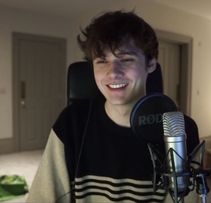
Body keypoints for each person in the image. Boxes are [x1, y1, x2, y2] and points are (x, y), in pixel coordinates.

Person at [26, 10, 199, 203]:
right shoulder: (71, 123)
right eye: (101, 61)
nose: (112, 72)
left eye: (125, 59)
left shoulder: (179, 131)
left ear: (150, 64)